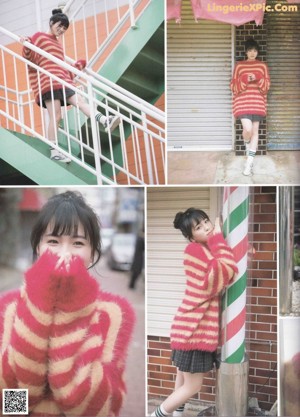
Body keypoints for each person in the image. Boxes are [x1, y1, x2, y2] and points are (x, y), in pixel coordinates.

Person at [0, 191, 135, 416]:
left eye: (78, 243)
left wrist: (72, 306)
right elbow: (10, 407)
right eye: (53, 241)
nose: (64, 253)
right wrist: (40, 306)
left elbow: (100, 408)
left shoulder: (113, 314)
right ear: (38, 248)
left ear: (92, 253)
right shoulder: (9, 307)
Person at [151, 208, 238, 417]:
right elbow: (227, 271)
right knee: (192, 387)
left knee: (182, 381)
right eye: (199, 227)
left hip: (190, 328)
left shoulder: (204, 250)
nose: (207, 228)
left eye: (206, 222)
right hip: (194, 332)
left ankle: (176, 414)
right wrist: (218, 239)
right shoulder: (194, 251)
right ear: (191, 237)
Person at [20, 9, 121, 163]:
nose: (61, 30)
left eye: (64, 29)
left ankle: (105, 120)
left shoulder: (58, 45)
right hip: (48, 82)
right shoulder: (39, 36)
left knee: (80, 102)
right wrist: (26, 43)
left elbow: (60, 67)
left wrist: (76, 67)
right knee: (57, 116)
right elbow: (30, 59)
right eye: (60, 26)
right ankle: (55, 151)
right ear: (52, 23)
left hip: (62, 81)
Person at [230, 38, 270, 176]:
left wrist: (258, 77)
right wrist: (245, 78)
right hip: (243, 102)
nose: (252, 53)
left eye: (254, 50)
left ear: (257, 51)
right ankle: (246, 143)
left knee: (255, 131)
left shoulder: (262, 66)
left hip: (257, 102)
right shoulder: (239, 66)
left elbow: (266, 87)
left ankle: (249, 164)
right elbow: (233, 86)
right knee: (247, 129)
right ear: (246, 51)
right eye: (250, 50)